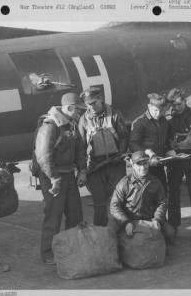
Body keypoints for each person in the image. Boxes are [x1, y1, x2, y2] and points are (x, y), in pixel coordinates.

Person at [35, 92, 87, 264]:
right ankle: (47, 253)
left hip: (68, 175)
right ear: (70, 108)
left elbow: (80, 148)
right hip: (53, 177)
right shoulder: (50, 125)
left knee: (75, 214)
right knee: (54, 216)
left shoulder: (71, 123)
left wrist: (82, 171)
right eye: (79, 109)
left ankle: (72, 248)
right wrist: (54, 179)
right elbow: (43, 155)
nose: (81, 113)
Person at [78, 86, 129, 227]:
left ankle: (121, 231)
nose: (91, 107)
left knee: (118, 201)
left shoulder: (115, 114)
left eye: (93, 103)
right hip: (95, 167)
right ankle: (101, 233)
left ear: (100, 99)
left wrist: (121, 154)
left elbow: (124, 136)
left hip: (115, 165)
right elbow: (81, 146)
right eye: (88, 104)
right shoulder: (83, 120)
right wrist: (82, 170)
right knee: (99, 203)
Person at [165, 88, 191, 241]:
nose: (176, 107)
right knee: (173, 195)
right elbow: (163, 136)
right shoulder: (168, 117)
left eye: (178, 104)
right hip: (174, 160)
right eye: (173, 105)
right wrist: (169, 147)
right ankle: (173, 227)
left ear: (185, 101)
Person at [110, 151, 175, 243]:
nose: (143, 167)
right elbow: (114, 206)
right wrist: (126, 222)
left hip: (148, 219)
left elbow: (162, 203)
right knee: (112, 233)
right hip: (129, 218)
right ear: (132, 164)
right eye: (139, 164)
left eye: (145, 163)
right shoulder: (124, 183)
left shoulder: (156, 182)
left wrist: (157, 220)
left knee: (170, 233)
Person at [129, 93, 173, 191]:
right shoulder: (139, 122)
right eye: (155, 110)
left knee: (162, 193)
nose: (158, 114)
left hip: (159, 164)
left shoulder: (164, 122)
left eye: (161, 111)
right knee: (145, 195)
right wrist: (147, 153)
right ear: (149, 106)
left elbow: (166, 140)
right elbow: (133, 144)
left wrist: (170, 150)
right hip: (143, 166)